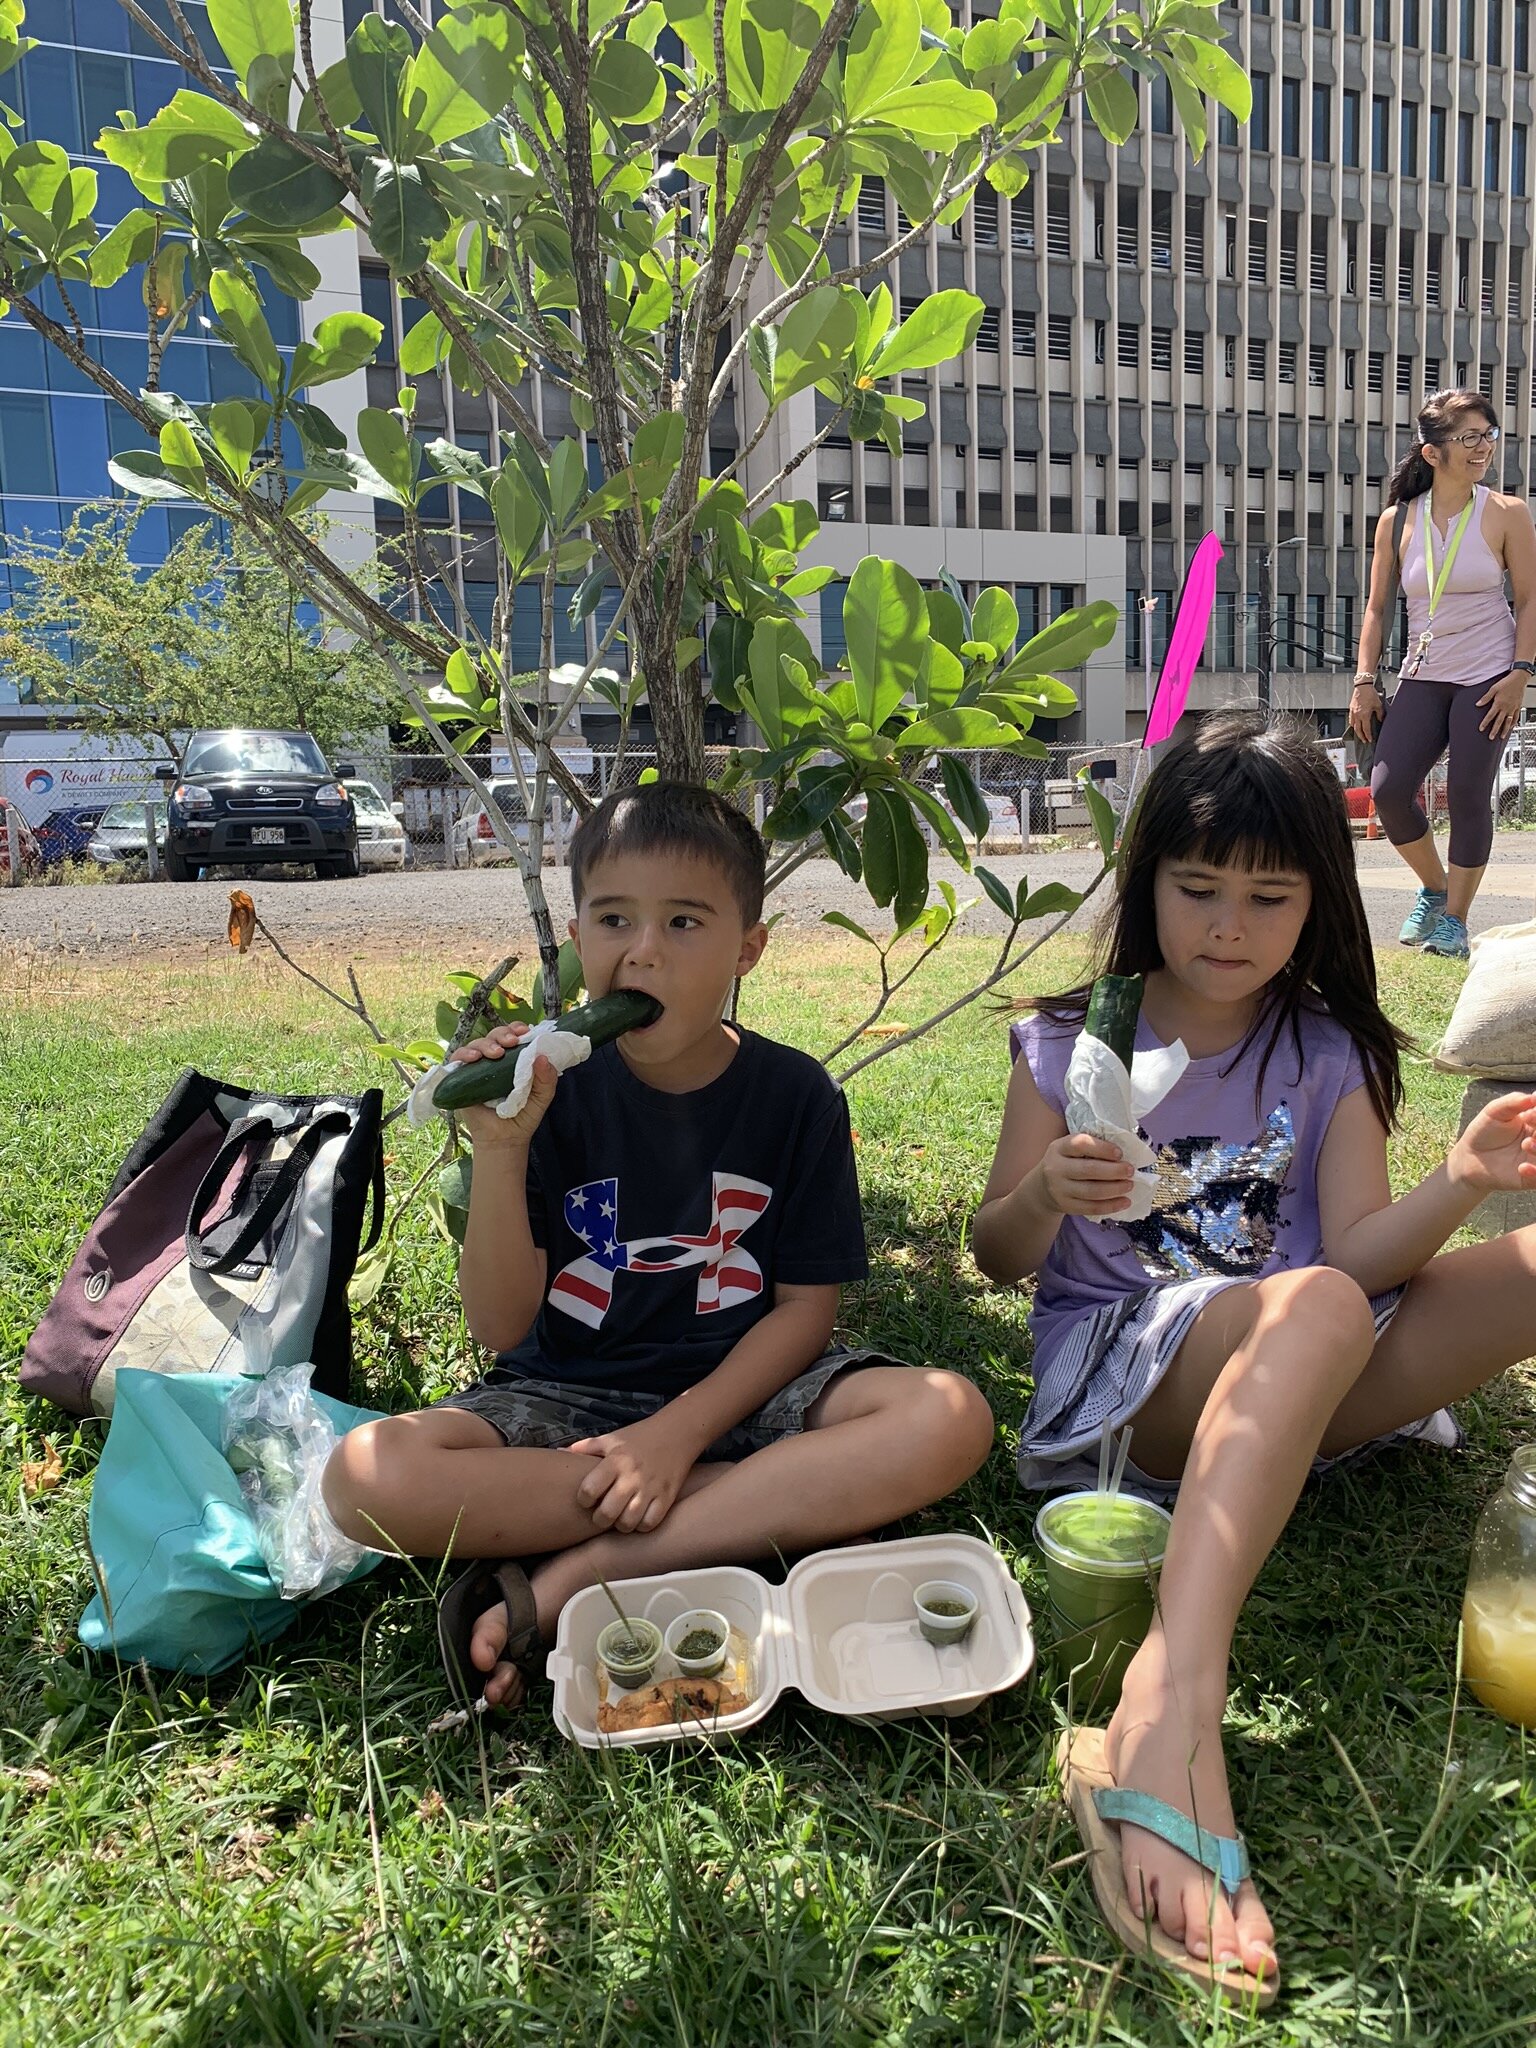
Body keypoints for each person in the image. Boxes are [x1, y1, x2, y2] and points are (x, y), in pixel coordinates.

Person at [972, 710, 1536, 2000]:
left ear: (1316, 901)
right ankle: (1176, 1697)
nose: (1228, 924)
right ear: (1149, 884)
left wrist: (1458, 1178)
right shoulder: (1069, 1039)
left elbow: (1371, 1253)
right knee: (1320, 1306)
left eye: (1267, 896)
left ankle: (1164, 1694)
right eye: (1198, 888)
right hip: (1126, 1380)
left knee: (1383, 1291)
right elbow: (994, 1257)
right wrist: (1047, 1190)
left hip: (1304, 1359)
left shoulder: (1326, 1050)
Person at [324, 781, 994, 1710]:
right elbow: (499, 1322)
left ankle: (577, 1571)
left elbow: (806, 1314)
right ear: (578, 936)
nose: (642, 952)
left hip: (745, 1391)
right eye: (614, 920)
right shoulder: (544, 1090)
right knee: (365, 1479)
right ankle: (759, 1505)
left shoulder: (795, 1097)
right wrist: (504, 1148)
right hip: (566, 1399)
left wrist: (676, 1438)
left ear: (746, 949)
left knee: (947, 1416)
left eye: (684, 923)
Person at [1351, 387, 1536, 961]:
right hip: (1424, 672)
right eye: (1470, 438)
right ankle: (1433, 888)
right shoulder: (1397, 520)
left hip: (1490, 673)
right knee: (1389, 789)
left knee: (1467, 792)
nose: (1484, 447)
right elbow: (1378, 607)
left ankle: (1454, 920)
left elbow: (1529, 600)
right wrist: (1363, 680)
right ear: (1434, 453)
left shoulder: (1507, 513)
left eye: (1489, 435)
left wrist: (1521, 673)